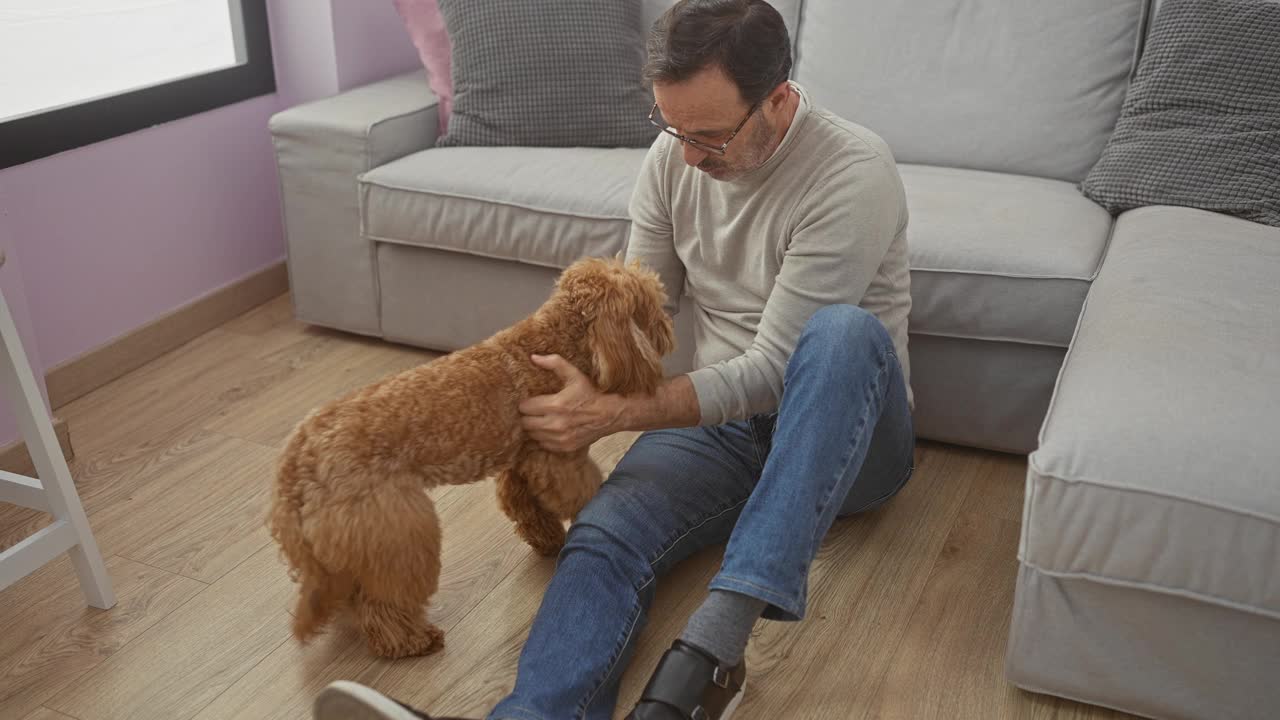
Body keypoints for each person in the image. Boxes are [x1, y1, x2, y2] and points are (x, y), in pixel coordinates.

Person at [312, 1, 914, 718]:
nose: (689, 156)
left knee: (841, 334)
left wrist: (618, 414)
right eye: (673, 128)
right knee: (603, 532)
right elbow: (635, 315)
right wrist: (523, 390)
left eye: (712, 137)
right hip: (723, 432)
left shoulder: (851, 172)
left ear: (778, 101)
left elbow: (773, 371)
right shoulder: (673, 158)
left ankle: (712, 655)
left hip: (848, 437)